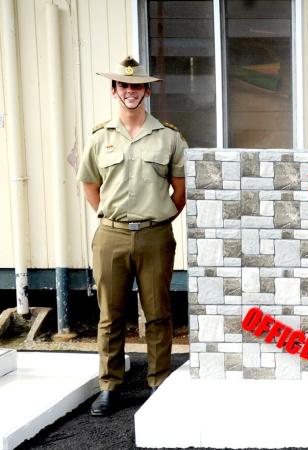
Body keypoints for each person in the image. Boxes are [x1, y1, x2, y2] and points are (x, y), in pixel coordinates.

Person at [77, 56, 186, 416]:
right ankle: (110, 385)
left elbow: (180, 188)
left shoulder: (168, 136)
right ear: (114, 91)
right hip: (112, 236)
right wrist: (112, 219)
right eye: (124, 86)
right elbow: (91, 185)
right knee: (111, 314)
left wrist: (161, 217)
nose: (130, 92)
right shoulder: (99, 138)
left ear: (146, 92)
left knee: (158, 312)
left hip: (155, 236)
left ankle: (158, 380)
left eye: (137, 86)